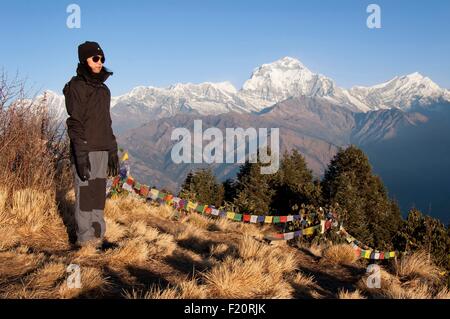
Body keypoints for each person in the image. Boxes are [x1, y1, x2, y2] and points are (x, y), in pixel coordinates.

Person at [63, 41, 119, 249]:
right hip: (85, 150)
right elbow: (74, 122)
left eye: (102, 58)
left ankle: (98, 236)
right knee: (85, 196)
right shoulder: (77, 86)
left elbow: (106, 122)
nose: (100, 62)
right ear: (84, 60)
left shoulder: (104, 89)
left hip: (103, 150)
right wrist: (80, 153)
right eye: (95, 58)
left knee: (98, 196)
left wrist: (112, 148)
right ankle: (85, 240)